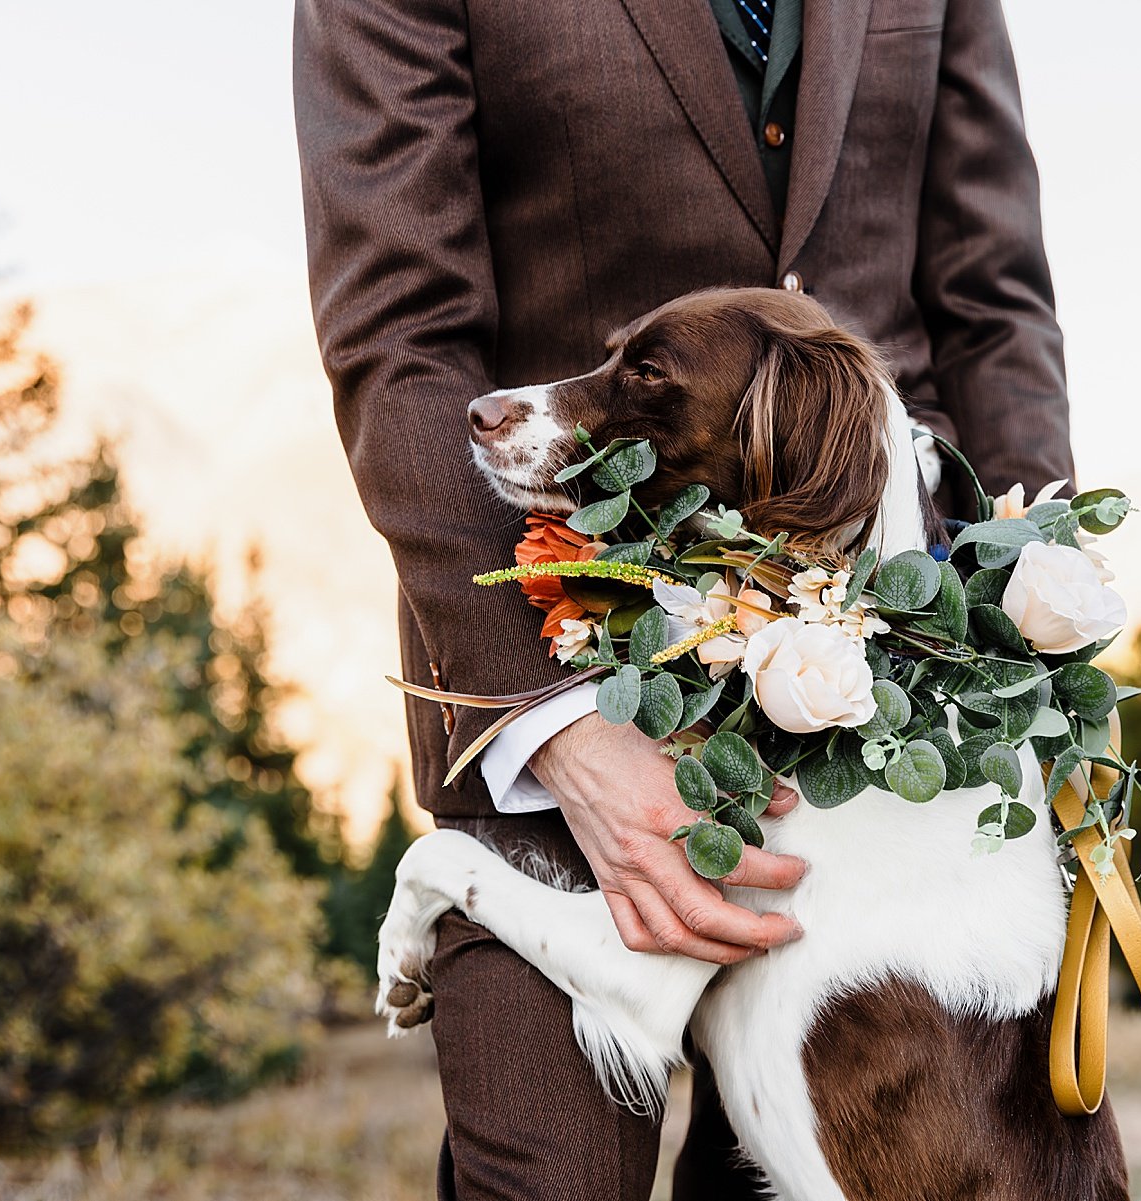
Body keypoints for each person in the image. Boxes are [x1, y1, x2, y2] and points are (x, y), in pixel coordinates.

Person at [294, 0, 1074, 1196]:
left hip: (912, 725)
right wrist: (556, 724)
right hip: (558, 661)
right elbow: (401, 338)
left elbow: (992, 303)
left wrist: (1041, 613)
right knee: (553, 1181)